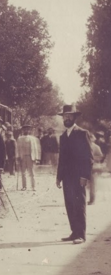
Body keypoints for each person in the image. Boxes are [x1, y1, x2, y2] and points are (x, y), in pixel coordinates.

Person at [56, 104, 93, 245]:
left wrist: (85, 176)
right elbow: (62, 159)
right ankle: (74, 232)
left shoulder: (82, 133)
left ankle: (81, 234)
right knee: (70, 203)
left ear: (74, 117)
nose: (66, 118)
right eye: (65, 116)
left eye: (69, 116)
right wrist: (59, 177)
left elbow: (88, 157)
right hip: (67, 177)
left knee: (79, 204)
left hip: (79, 177)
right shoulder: (63, 136)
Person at [16, 125, 39, 191]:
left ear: (29, 130)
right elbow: (17, 149)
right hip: (22, 157)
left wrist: (36, 158)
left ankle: (33, 186)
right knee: (23, 173)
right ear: (23, 130)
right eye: (24, 129)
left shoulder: (32, 138)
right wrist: (18, 157)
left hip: (30, 157)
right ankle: (24, 186)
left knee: (31, 172)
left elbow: (35, 148)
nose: (26, 131)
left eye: (27, 129)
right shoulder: (20, 138)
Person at [87, 133, 104, 205]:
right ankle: (90, 200)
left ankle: (92, 200)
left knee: (92, 184)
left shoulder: (96, 147)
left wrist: (92, 159)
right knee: (89, 185)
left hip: (93, 168)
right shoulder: (82, 146)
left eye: (91, 138)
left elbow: (100, 156)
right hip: (85, 167)